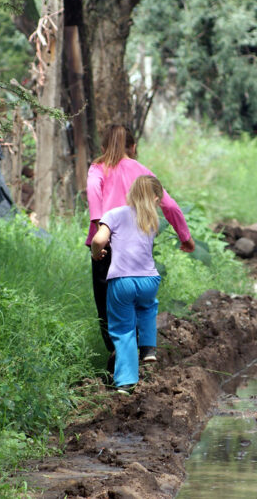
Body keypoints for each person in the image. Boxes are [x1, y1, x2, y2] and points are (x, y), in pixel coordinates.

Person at [86, 125, 194, 376]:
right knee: (139, 296)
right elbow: (169, 204)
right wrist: (185, 236)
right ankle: (141, 348)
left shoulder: (97, 168)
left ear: (103, 148)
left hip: (103, 241)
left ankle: (117, 352)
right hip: (137, 243)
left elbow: (92, 192)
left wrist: (97, 223)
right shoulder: (140, 170)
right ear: (133, 148)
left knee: (106, 302)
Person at [91, 176, 164, 393]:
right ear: (156, 199)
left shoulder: (114, 214)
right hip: (149, 280)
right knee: (147, 307)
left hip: (122, 281)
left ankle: (126, 381)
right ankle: (149, 348)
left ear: (130, 194)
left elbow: (98, 240)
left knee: (123, 330)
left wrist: (97, 254)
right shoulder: (151, 220)